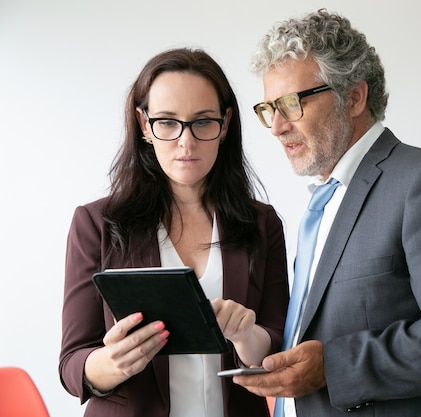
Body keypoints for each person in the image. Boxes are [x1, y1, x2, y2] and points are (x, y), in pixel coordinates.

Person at [235, 9, 421, 417]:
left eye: (291, 103)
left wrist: (333, 366)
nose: (276, 126)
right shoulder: (322, 201)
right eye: (268, 108)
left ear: (354, 97)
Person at [59, 48, 289, 417]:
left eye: (202, 122)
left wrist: (247, 336)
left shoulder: (262, 223)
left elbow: (279, 345)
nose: (187, 142)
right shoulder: (97, 223)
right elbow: (72, 364)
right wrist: (112, 362)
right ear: (144, 124)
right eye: (167, 122)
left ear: (226, 123)